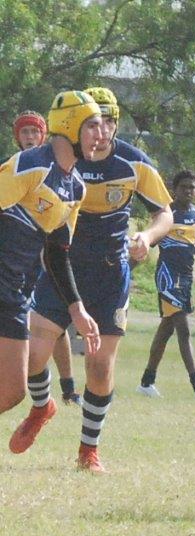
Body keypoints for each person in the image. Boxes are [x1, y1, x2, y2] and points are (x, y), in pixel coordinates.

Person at [9, 87, 173, 473]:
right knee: (32, 356)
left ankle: (88, 450)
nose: (101, 132)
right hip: (59, 269)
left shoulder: (134, 163)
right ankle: (41, 407)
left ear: (115, 124)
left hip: (109, 274)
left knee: (99, 366)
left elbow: (165, 213)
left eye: (108, 123)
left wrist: (147, 237)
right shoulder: (62, 159)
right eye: (93, 124)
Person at [0, 91, 102, 424]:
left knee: (11, 391)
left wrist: (77, 308)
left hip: (16, 293)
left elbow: (57, 253)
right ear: (70, 126)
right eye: (92, 126)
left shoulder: (76, 189)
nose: (101, 135)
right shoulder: (29, 165)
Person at [12, 111, 83, 406]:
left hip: (44, 265)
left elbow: (59, 235)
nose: (30, 137)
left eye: (35, 132)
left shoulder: (65, 177)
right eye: (24, 132)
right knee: (27, 336)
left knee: (54, 327)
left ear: (44, 136)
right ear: (17, 137)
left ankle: (68, 388)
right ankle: (44, 403)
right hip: (15, 266)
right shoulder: (14, 168)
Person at [137, 171, 195, 399]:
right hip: (168, 276)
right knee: (183, 328)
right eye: (184, 187)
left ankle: (147, 382)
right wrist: (128, 266)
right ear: (174, 190)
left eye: (192, 187)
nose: (189, 191)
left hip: (186, 277)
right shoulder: (166, 215)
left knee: (166, 329)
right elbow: (149, 243)